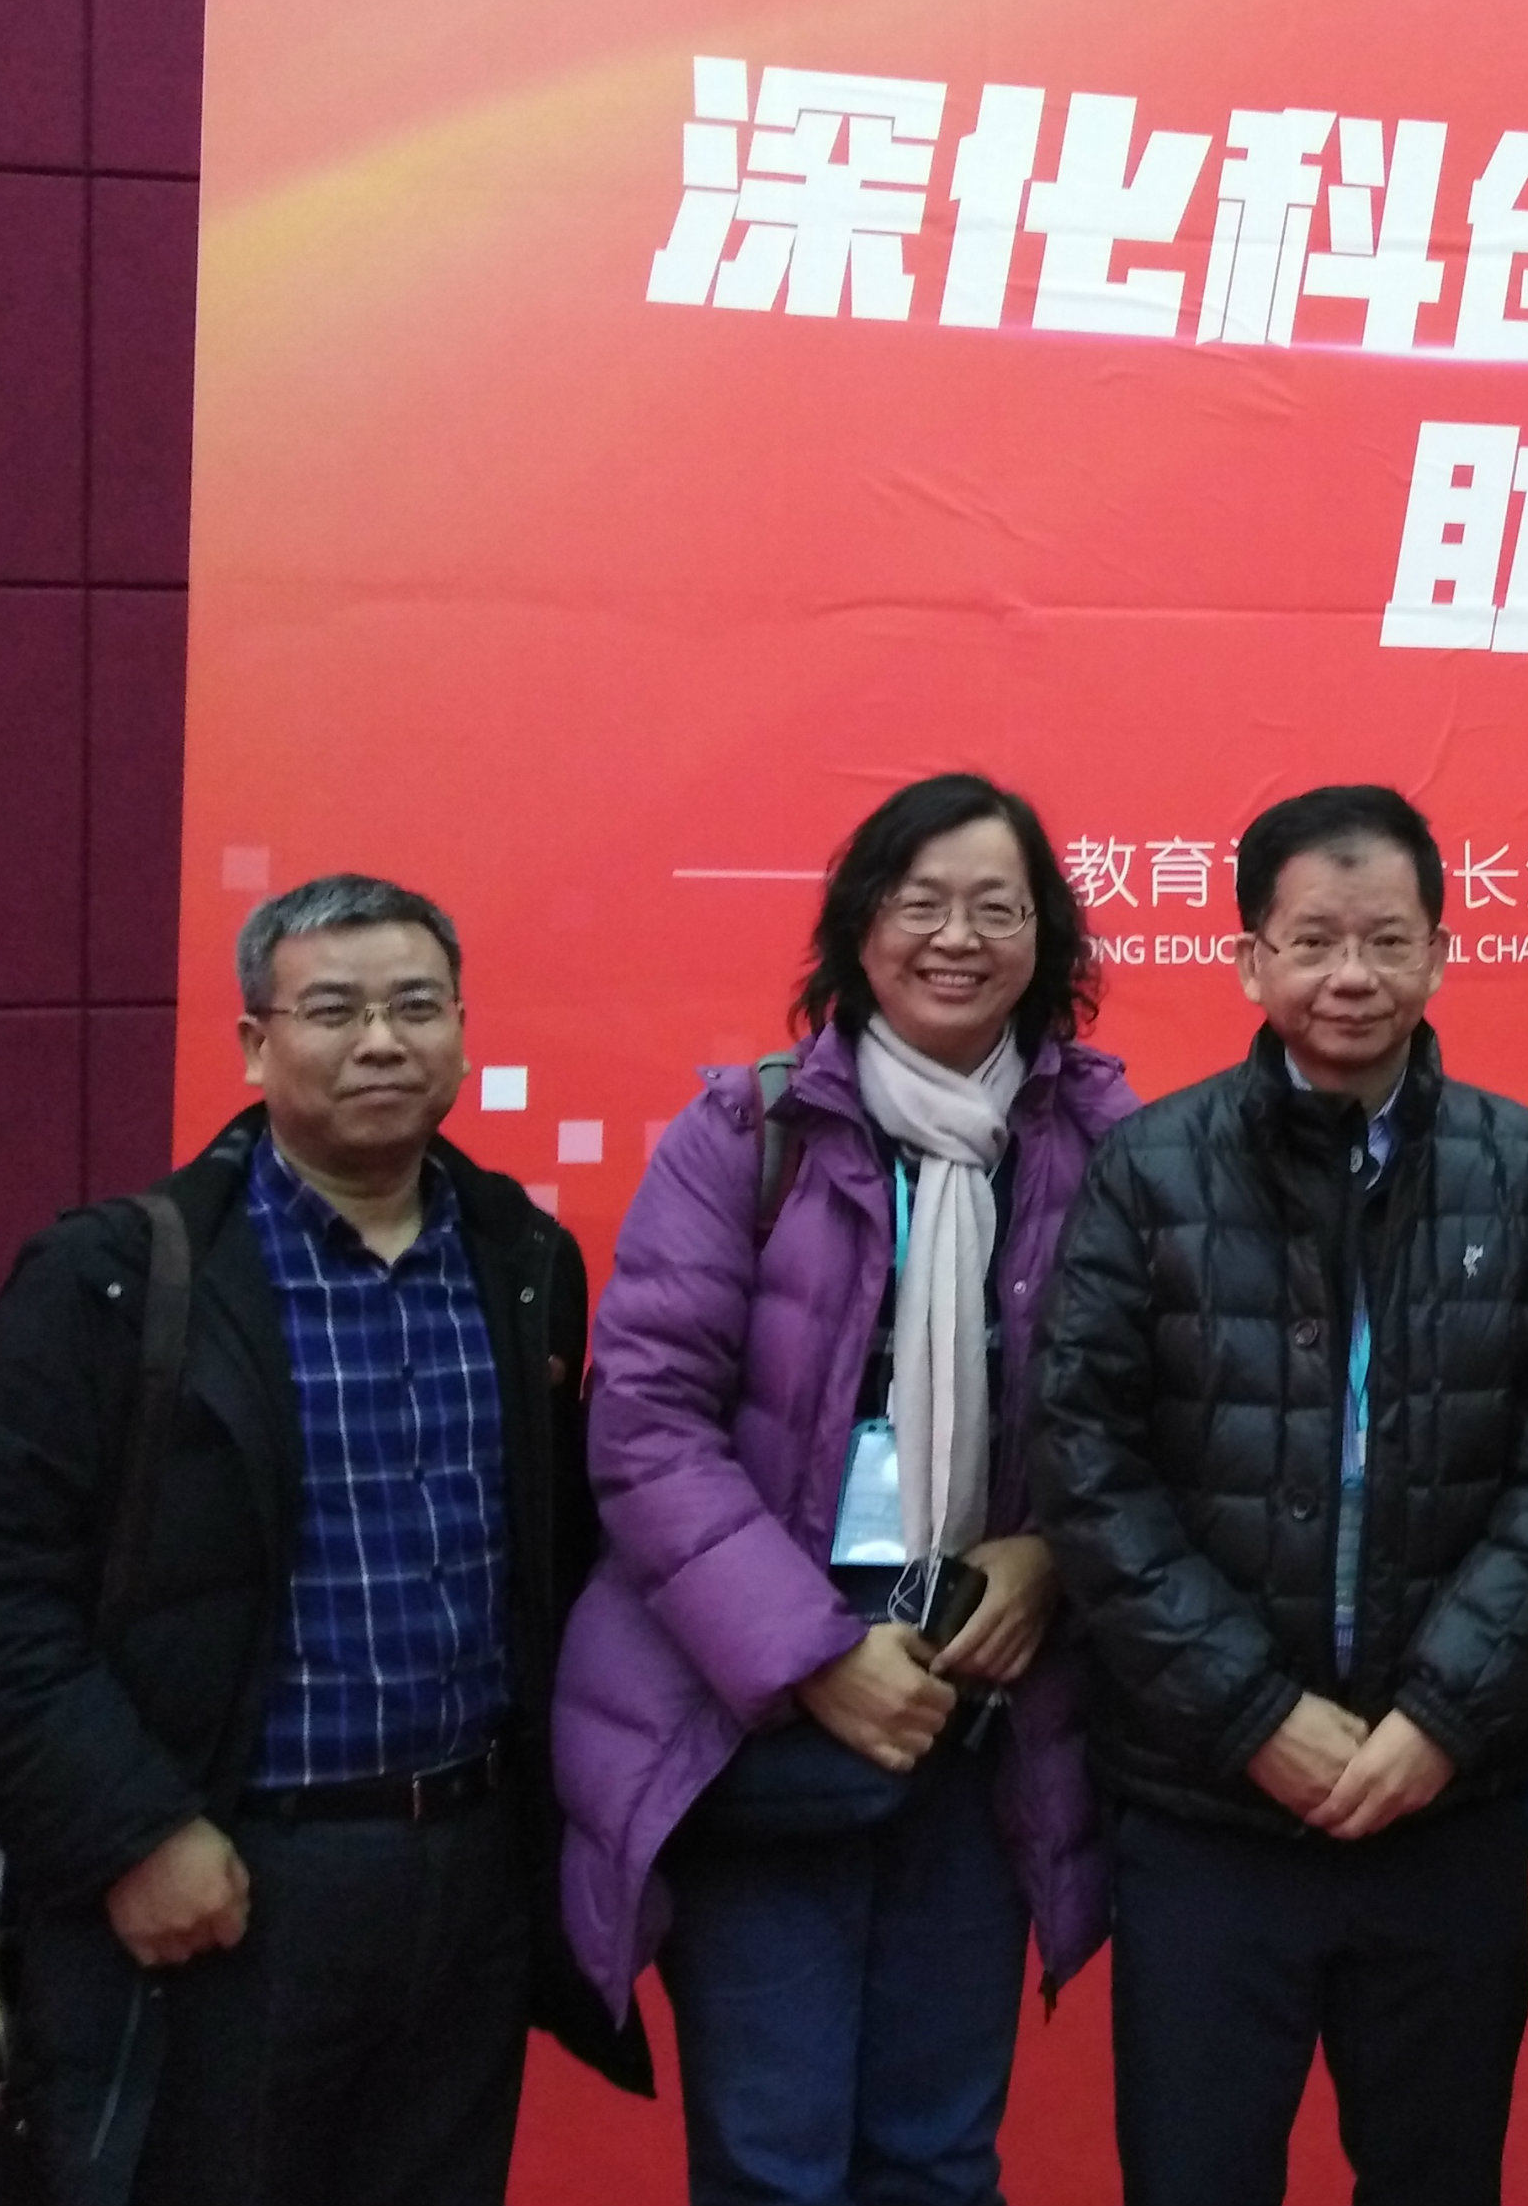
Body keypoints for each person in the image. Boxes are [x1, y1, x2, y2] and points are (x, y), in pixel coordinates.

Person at [0, 873, 646, 2206]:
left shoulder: (522, 1260)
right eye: (334, 1010)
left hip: (470, 1872)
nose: (381, 1042)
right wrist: (134, 1834)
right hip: (229, 1880)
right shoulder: (119, 1279)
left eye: (416, 1006)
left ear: (462, 1032)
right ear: (254, 1043)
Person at [1032, 783, 1528, 2206]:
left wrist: (1437, 1720)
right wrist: (1251, 1715)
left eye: (1385, 939)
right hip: (1209, 1807)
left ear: (1439, 954)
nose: (1350, 974)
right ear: (1252, 961)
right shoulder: (1149, 1170)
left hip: (1445, 1804)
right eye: (1312, 941)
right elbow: (1088, 1461)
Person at [552, 773, 1135, 2206]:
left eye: (997, 907)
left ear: (1046, 938)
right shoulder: (747, 1133)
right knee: (775, 2163)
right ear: (859, 927)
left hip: (983, 1707)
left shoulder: (1107, 1144)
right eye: (920, 902)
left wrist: (1050, 1556)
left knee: (939, 2157)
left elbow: (1150, 1418)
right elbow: (645, 1427)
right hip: (758, 1710)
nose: (958, 937)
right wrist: (814, 1657)